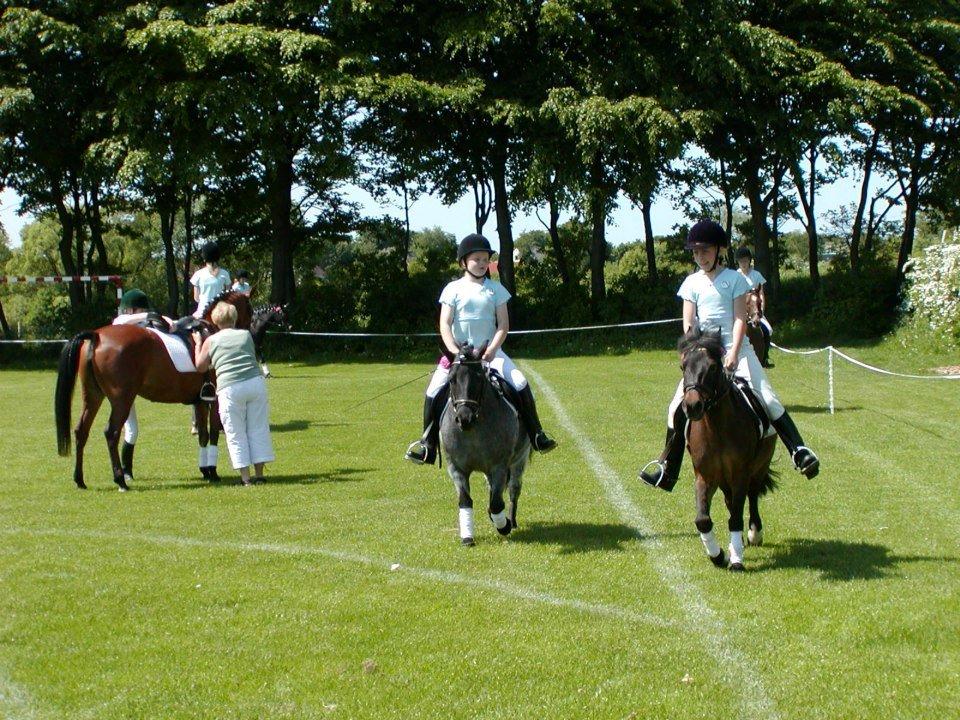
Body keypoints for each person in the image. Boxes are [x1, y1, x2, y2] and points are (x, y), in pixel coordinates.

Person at [639, 220, 819, 491]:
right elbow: (689, 324)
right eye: (696, 252)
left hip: (738, 349)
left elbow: (739, 319)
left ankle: (799, 451)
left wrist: (733, 352)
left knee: (767, 398)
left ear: (719, 250)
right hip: (704, 353)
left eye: (706, 251)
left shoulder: (734, 279)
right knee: (676, 408)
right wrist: (691, 352)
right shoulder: (691, 283)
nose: (701, 256)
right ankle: (668, 469)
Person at [404, 233, 557, 465]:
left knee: (520, 382)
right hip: (459, 356)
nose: (483, 263)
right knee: (433, 390)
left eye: (485, 259)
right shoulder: (452, 289)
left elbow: (503, 325)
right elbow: (445, 324)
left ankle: (537, 434)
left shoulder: (496, 289)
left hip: (490, 354)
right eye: (477, 259)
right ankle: (428, 445)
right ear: (464, 262)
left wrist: (493, 349)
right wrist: (454, 351)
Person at [193, 301, 274, 486]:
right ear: (235, 318)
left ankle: (245, 478)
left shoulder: (211, 340)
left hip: (230, 388)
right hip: (255, 383)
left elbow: (200, 366)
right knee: (258, 428)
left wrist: (198, 344)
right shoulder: (246, 335)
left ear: (215, 321)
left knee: (235, 433)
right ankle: (259, 475)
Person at [111, 289, 172, 481]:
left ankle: (126, 469)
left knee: (132, 429)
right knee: (131, 429)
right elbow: (120, 321)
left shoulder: (142, 326)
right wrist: (147, 315)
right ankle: (125, 469)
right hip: (122, 382)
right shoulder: (121, 322)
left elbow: (170, 325)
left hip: (135, 379)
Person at [736, 247, 773, 365]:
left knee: (768, 330)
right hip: (740, 309)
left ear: (749, 261)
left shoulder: (756, 275)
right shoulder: (735, 275)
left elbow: (761, 294)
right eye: (741, 261)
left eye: (745, 261)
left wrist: (761, 310)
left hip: (754, 309)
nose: (743, 263)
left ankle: (765, 357)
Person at [191, 241, 231, 318]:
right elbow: (228, 295)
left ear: (204, 257)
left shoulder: (198, 274)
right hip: (220, 314)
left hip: (202, 313)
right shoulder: (225, 274)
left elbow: (196, 298)